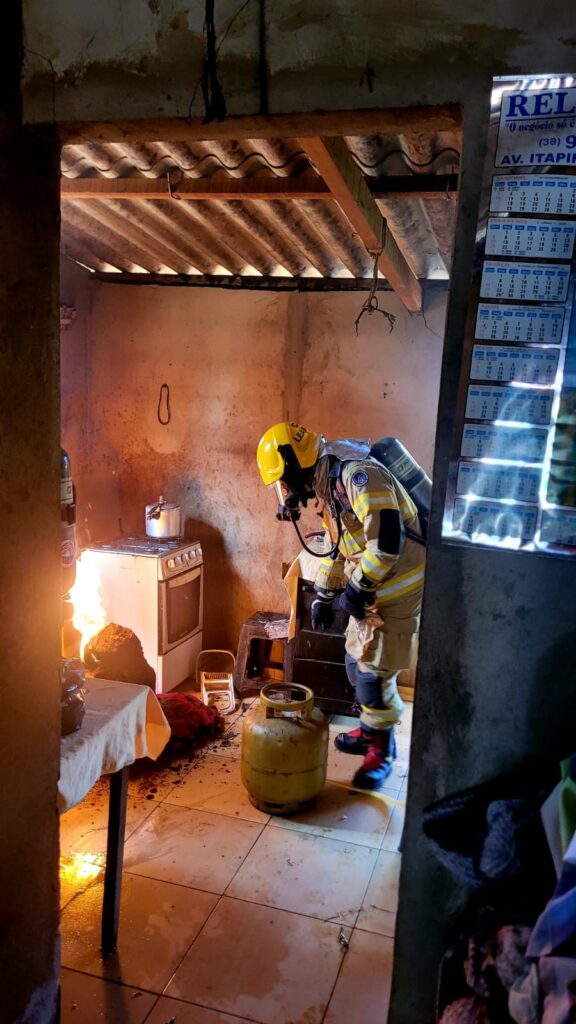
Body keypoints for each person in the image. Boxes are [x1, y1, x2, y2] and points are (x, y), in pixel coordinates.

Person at [256, 422, 426, 791]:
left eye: (283, 482)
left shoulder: (359, 476)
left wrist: (357, 588)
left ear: (294, 464)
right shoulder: (330, 482)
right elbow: (339, 545)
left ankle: (381, 751)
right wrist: (324, 594)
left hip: (397, 589)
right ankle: (369, 729)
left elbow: (387, 543)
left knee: (373, 674)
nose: (285, 493)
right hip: (376, 585)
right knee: (354, 661)